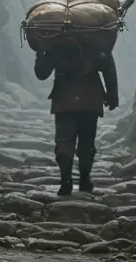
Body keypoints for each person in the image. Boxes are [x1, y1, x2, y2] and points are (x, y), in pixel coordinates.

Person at [34, 38, 119, 196]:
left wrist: (40, 53)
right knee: (87, 142)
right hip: (90, 98)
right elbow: (108, 67)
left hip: (64, 99)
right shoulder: (96, 43)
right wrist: (112, 94)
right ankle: (85, 180)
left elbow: (41, 73)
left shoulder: (56, 44)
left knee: (64, 141)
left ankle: (65, 182)